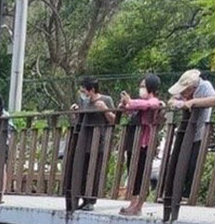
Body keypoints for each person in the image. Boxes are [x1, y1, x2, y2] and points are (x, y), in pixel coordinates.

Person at [166, 69, 215, 202]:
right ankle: (171, 192)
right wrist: (176, 103)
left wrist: (193, 102)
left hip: (199, 130)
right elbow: (172, 99)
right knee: (176, 159)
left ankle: (187, 194)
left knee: (192, 163)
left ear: (192, 87)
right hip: (186, 127)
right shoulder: (184, 92)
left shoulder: (205, 86)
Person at [117, 74, 165, 216]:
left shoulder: (154, 101)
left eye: (143, 86)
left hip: (144, 143)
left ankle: (138, 205)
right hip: (134, 142)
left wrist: (130, 102)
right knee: (132, 172)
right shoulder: (139, 103)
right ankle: (133, 202)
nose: (141, 89)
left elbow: (149, 105)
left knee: (141, 174)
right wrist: (125, 105)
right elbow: (131, 109)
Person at [69, 77, 116, 210]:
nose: (83, 93)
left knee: (94, 170)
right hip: (84, 141)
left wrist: (105, 109)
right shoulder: (84, 102)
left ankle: (91, 200)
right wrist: (75, 113)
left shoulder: (106, 100)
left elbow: (113, 120)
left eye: (85, 90)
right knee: (82, 170)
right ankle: (83, 197)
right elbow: (80, 120)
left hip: (98, 141)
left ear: (92, 90)